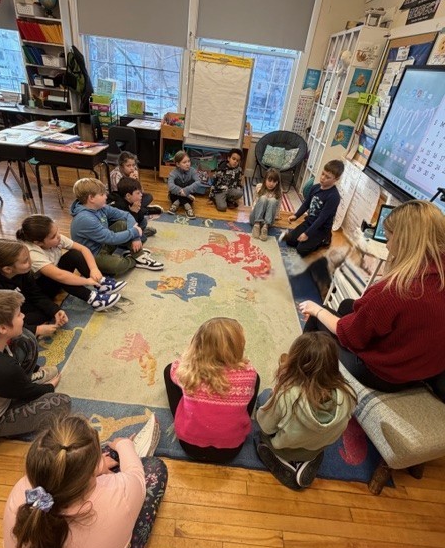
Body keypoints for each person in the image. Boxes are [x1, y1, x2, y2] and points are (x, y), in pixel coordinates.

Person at [4, 415, 168, 548]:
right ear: (92, 471)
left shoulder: (20, 494)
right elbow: (137, 475)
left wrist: (92, 470)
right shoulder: (119, 496)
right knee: (154, 469)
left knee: (91, 455)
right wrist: (124, 445)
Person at [299, 200, 445, 399]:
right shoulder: (435, 274)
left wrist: (316, 309)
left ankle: (298, 374)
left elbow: (350, 336)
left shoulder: (394, 291)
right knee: (345, 305)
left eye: (389, 238)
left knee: (318, 317)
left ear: (404, 241)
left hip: (385, 375)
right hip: (421, 365)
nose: (387, 245)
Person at [0, 290, 70, 450]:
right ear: (2, 328)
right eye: (19, 315)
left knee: (25, 338)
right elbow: (29, 392)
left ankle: (22, 380)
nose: (23, 317)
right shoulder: (1, 368)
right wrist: (49, 386)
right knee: (61, 403)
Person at [256, 332, 356, 490]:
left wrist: (274, 394)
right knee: (307, 438)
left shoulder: (287, 395)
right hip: (316, 447)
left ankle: (281, 460)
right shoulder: (348, 394)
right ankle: (308, 461)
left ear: (295, 361)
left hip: (285, 447)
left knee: (263, 398)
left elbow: (265, 425)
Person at [164, 317, 260, 463]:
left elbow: (174, 367)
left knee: (168, 371)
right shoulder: (249, 374)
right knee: (255, 381)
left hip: (189, 446)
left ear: (196, 344)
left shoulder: (187, 371)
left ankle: (183, 415)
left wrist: (190, 357)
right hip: (231, 450)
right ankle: (238, 416)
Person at [17, 215, 125, 312]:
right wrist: (86, 281)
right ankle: (95, 300)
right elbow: (59, 276)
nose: (59, 236)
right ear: (38, 243)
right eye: (53, 236)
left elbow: (83, 249)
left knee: (74, 254)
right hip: (41, 289)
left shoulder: (55, 238)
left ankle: (101, 283)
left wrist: (94, 269)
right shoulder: (32, 253)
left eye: (57, 232)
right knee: (63, 277)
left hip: (54, 273)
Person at [0, 239, 68, 338]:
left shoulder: (22, 271)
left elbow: (35, 294)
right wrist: (35, 330)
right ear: (7, 269)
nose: (30, 262)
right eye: (25, 261)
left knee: (46, 311)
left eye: (29, 257)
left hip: (11, 307)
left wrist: (55, 310)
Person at [70, 177, 163, 276]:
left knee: (123, 224)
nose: (106, 196)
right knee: (119, 265)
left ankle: (139, 256)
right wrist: (135, 232)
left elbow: (126, 215)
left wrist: (135, 237)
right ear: (91, 198)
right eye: (102, 194)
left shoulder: (100, 207)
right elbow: (111, 238)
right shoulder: (85, 219)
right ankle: (133, 260)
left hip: (103, 244)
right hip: (92, 256)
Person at [279, 159, 343, 256]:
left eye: (327, 177)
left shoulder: (334, 197)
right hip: (309, 222)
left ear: (336, 179)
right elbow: (306, 204)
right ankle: (306, 238)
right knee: (290, 241)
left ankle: (325, 240)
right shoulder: (315, 187)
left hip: (321, 229)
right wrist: (296, 215)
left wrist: (307, 234)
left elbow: (322, 219)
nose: (322, 178)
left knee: (301, 250)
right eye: (323, 174)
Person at [109, 150, 163, 215]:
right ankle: (145, 210)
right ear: (121, 166)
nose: (132, 168)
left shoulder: (134, 170)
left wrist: (136, 181)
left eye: (133, 165)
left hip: (131, 197)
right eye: (128, 166)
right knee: (125, 205)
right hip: (119, 199)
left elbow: (141, 192)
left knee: (149, 196)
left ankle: (138, 209)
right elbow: (121, 195)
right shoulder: (115, 175)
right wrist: (129, 180)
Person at [111, 176, 158, 241]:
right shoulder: (118, 205)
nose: (141, 195)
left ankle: (140, 232)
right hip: (118, 232)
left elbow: (140, 218)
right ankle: (141, 233)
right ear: (128, 196)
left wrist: (138, 208)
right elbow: (128, 225)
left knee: (143, 221)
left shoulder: (131, 201)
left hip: (130, 225)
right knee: (142, 239)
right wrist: (133, 212)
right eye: (138, 193)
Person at [167, 150, 202, 219]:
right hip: (181, 196)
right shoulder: (173, 173)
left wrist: (186, 191)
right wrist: (183, 193)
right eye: (184, 162)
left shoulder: (192, 171)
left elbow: (198, 182)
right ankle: (187, 206)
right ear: (177, 164)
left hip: (187, 196)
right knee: (176, 182)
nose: (188, 164)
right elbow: (170, 185)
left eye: (189, 161)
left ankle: (176, 203)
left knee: (192, 181)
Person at [249, 168, 282, 241]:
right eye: (269, 180)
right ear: (265, 180)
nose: (271, 184)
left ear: (277, 182)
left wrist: (272, 217)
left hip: (268, 221)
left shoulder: (278, 193)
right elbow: (254, 205)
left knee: (273, 200)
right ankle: (257, 225)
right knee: (263, 198)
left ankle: (265, 228)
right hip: (255, 218)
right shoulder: (259, 187)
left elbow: (277, 210)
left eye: (274, 181)